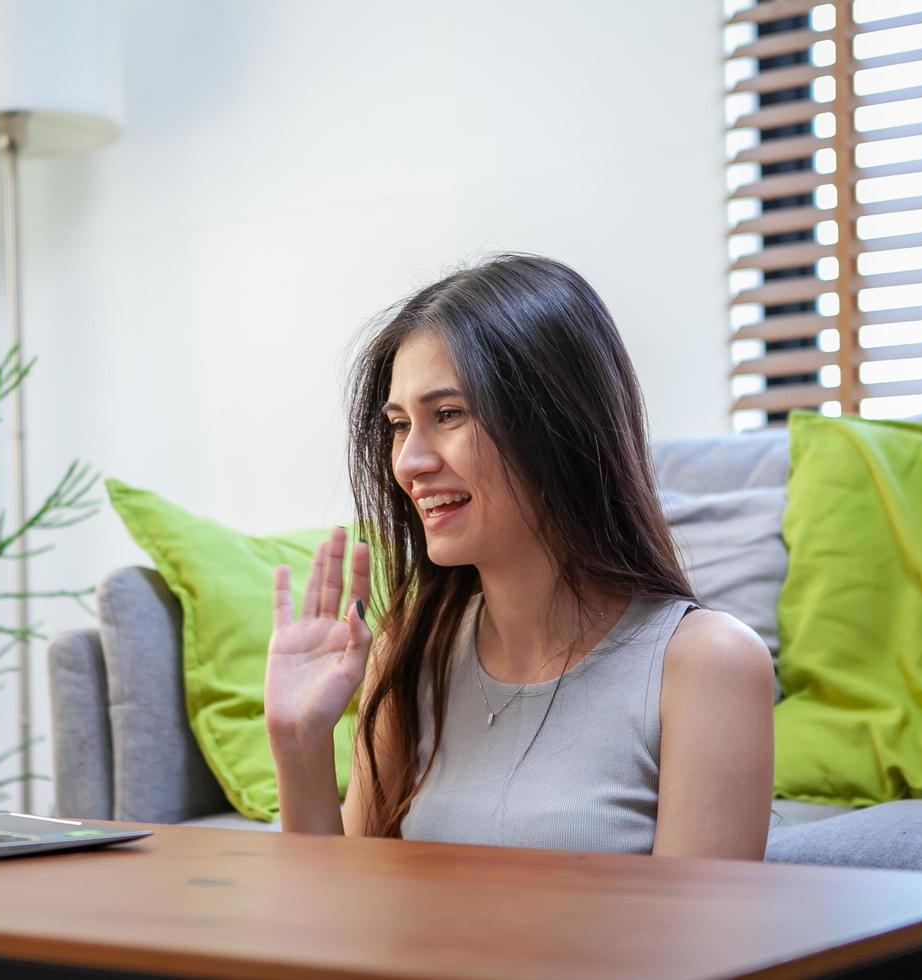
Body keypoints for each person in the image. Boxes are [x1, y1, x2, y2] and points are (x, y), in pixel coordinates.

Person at [263, 253, 774, 859]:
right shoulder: (410, 654)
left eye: (447, 414)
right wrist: (298, 742)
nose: (407, 462)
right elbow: (335, 920)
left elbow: (704, 947)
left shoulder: (708, 664)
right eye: (400, 424)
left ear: (558, 424)